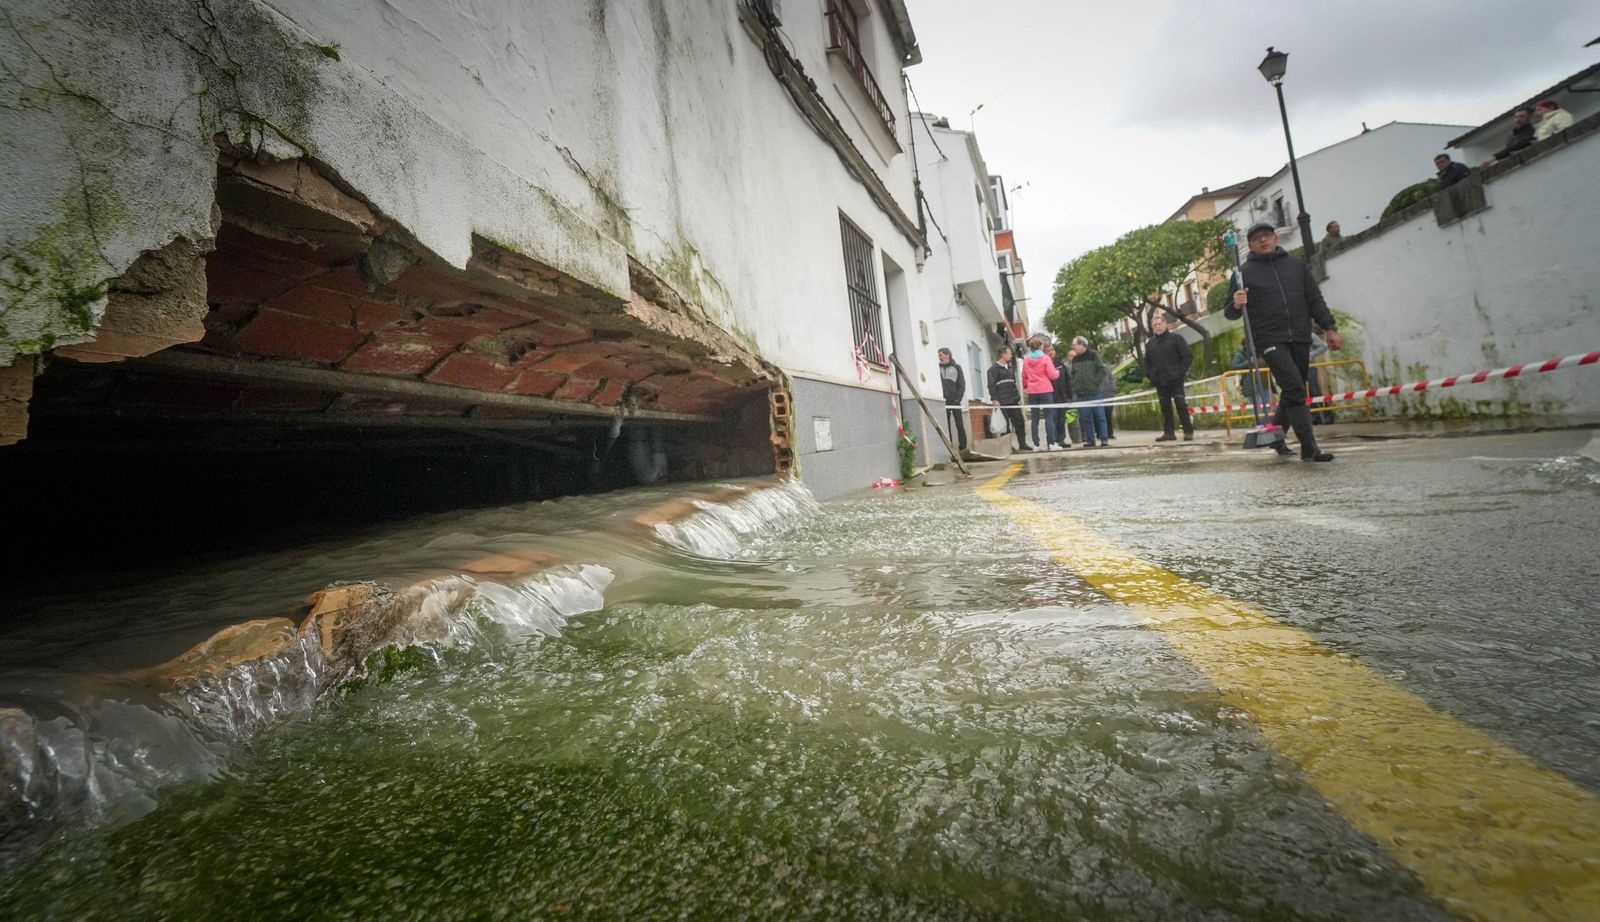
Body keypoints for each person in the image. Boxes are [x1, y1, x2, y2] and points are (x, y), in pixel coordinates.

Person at [1225, 222, 1341, 462]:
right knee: (1295, 388)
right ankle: (1309, 449)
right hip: (1269, 338)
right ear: (1250, 245)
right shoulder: (1242, 273)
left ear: (1276, 238)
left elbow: (1314, 298)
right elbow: (1230, 312)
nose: (1263, 241)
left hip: (1299, 335)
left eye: (1267, 236)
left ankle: (1276, 438)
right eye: (1257, 239)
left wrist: (1330, 327)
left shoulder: (1296, 266)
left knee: (1292, 391)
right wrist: (1237, 302)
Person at [1143, 314, 1194, 442]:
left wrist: (1181, 372)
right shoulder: (1151, 343)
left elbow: (1187, 356)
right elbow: (1146, 361)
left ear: (1165, 324)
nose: (1157, 327)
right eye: (1154, 325)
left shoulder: (1177, 338)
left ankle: (1188, 431)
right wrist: (1151, 375)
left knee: (1181, 405)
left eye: (1159, 324)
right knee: (1165, 407)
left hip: (1176, 380)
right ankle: (1169, 433)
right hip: (1160, 381)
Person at [1021, 336, 1062, 450]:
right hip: (1045, 389)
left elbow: (1024, 375)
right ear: (1040, 346)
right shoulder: (1045, 358)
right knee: (1049, 417)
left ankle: (1036, 444)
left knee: (1035, 417)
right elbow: (1052, 375)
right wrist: (1058, 372)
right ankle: (1051, 443)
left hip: (1032, 390)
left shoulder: (1026, 359)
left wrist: (1025, 386)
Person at [1069, 337, 1111, 448]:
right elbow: (1073, 374)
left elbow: (1101, 370)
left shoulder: (1094, 355)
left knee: (1100, 417)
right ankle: (1090, 440)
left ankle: (1104, 439)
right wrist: (1075, 385)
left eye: (1075, 345)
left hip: (1094, 392)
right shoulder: (1075, 359)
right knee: (1086, 418)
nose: (1073, 347)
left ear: (1082, 344)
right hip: (1081, 393)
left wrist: (1094, 382)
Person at [987, 346, 1029, 452]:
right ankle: (1008, 447)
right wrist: (994, 399)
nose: (1010, 356)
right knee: (1005, 425)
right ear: (1003, 355)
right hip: (1002, 401)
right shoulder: (993, 370)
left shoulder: (1010, 368)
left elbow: (1013, 383)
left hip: (1013, 400)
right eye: (1009, 354)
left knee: (1019, 422)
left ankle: (1022, 444)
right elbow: (991, 385)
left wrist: (1017, 397)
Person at [937, 348, 967, 452]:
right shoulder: (937, 368)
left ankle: (963, 448)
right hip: (943, 401)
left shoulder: (957, 367)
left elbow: (962, 384)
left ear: (947, 355)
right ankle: (949, 448)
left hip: (954, 400)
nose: (939, 357)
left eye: (941, 355)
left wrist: (958, 398)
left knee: (959, 424)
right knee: (946, 425)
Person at [1047, 343, 1077, 448]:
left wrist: (1069, 396)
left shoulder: (1060, 364)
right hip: (1051, 397)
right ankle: (1052, 441)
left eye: (1052, 350)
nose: (1051, 352)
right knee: (1053, 419)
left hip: (1062, 396)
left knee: (1061, 419)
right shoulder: (1045, 364)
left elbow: (1068, 381)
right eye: (1048, 350)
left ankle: (1061, 440)